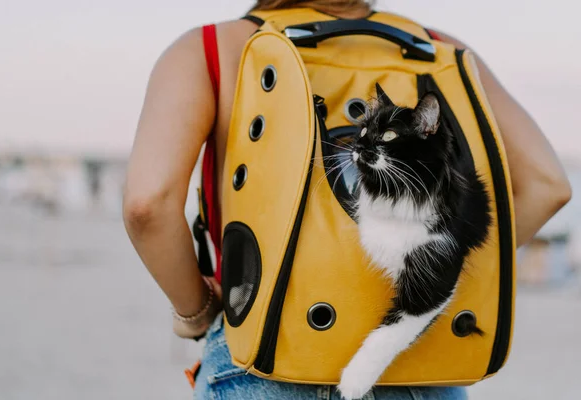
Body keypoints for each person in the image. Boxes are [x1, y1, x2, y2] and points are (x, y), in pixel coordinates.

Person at [122, 0, 572, 398]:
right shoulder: (440, 50)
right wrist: (439, 262)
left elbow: (148, 205)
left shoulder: (210, 47)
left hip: (265, 360)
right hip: (419, 368)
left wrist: (198, 310)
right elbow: (548, 186)